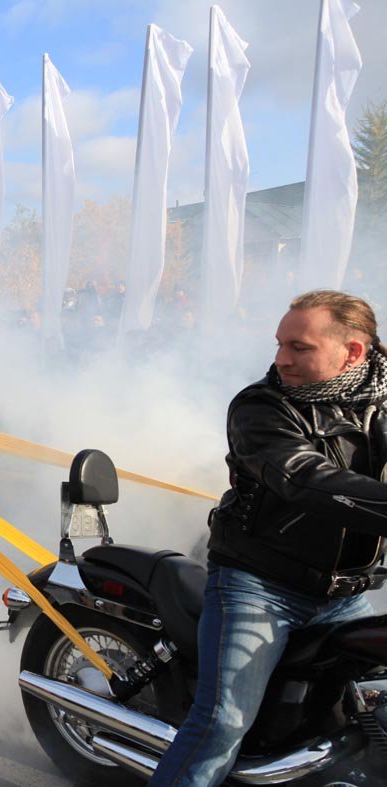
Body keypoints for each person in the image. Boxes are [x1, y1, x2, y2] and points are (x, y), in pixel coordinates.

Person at [151, 290, 387, 786]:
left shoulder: (379, 401)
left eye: (299, 347)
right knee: (221, 724)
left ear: (354, 351)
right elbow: (306, 480)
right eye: (281, 345)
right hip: (260, 586)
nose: (282, 359)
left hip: (346, 593)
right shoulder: (260, 407)